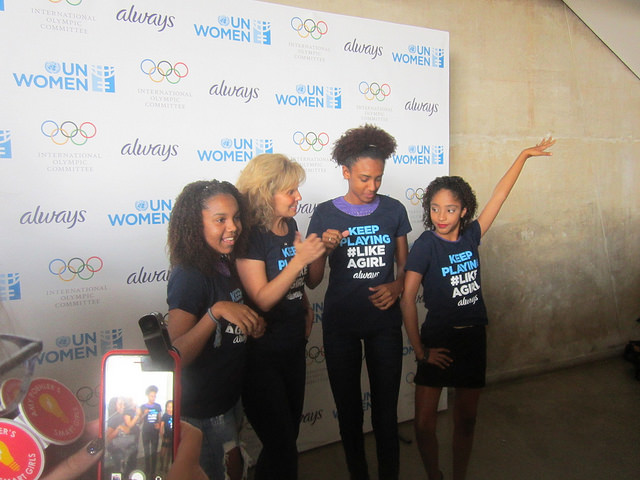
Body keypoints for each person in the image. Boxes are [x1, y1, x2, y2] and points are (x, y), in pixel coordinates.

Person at [400, 137, 556, 480]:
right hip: (437, 338)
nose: (441, 216)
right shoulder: (426, 245)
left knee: (466, 421)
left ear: (464, 210)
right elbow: (407, 297)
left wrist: (523, 156)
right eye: (435, 208)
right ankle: (434, 475)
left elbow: (500, 194)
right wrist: (421, 351)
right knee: (424, 424)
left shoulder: (472, 236)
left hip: (472, 340)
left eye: (450, 209)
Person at [306, 124, 411, 480]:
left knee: (385, 412)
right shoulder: (323, 214)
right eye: (365, 178)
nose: (372, 187)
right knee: (349, 413)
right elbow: (314, 279)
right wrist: (325, 247)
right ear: (346, 172)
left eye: (378, 179)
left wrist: (397, 287)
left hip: (384, 325)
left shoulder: (394, 210)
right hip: (340, 328)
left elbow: (405, 267)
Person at [166, 179, 265, 480]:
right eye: (220, 220)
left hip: (228, 397)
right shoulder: (189, 276)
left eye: (235, 217)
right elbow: (176, 354)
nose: (233, 226)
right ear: (195, 225)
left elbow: (231, 325)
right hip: (202, 410)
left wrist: (251, 324)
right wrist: (215, 312)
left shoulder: (224, 263)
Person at [235, 154, 325, 479]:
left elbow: (305, 282)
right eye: (290, 191)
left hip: (293, 347)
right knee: (282, 445)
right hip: (260, 356)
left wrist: (304, 299)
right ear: (265, 192)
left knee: (286, 442)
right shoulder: (250, 236)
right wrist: (300, 261)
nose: (298, 197)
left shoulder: (291, 226)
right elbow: (262, 297)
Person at [140, 385, 162, 477]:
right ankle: (147, 468)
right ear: (148, 396)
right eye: (151, 396)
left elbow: (159, 418)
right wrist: (144, 414)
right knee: (146, 451)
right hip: (145, 431)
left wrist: (159, 425)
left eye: (154, 396)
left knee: (154, 451)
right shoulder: (143, 406)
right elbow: (139, 420)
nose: (153, 398)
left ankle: (153, 470)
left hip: (154, 432)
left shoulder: (158, 406)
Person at [159, 399, 174, 474]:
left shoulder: (176, 415)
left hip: (173, 437)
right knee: (162, 453)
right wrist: (162, 437)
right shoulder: (165, 415)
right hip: (166, 437)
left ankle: (166, 467)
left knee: (169, 453)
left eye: (171, 407)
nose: (169, 409)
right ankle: (161, 465)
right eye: (168, 407)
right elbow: (161, 426)